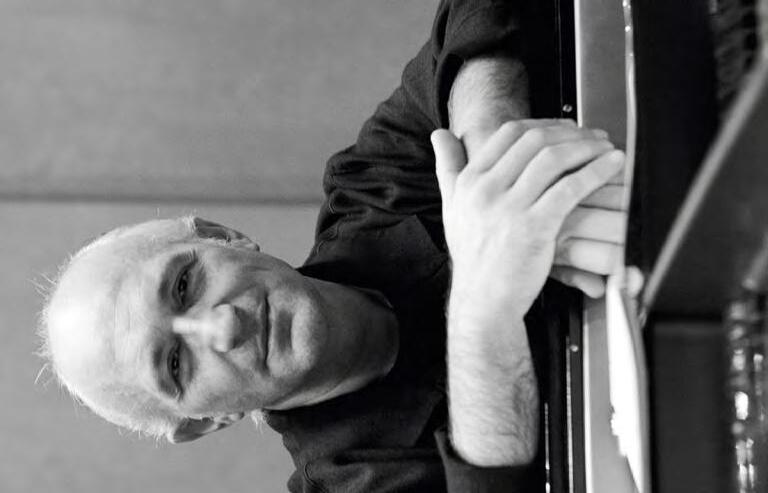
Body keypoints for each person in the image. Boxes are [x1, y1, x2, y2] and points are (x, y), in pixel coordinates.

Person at [39, 0, 627, 491]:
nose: (222, 326)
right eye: (175, 363)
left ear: (223, 237)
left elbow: (474, 17)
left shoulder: (370, 185)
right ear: (204, 422)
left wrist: (495, 168)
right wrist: (482, 311)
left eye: (185, 285)